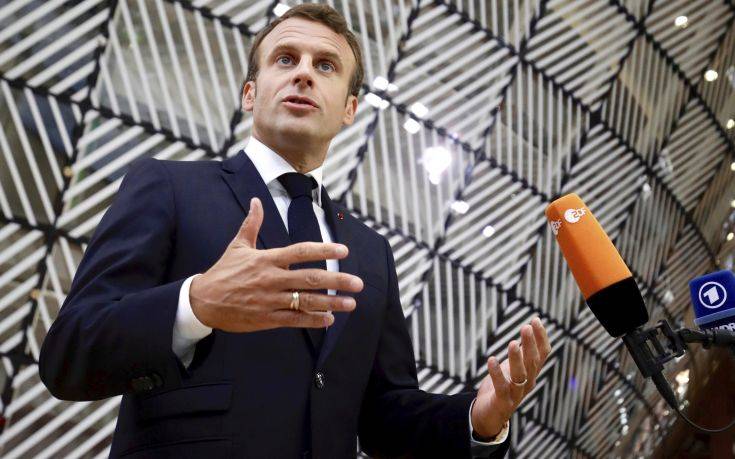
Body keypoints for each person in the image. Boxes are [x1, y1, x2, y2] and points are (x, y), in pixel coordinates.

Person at [39, 4, 551, 458]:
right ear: (249, 92)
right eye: (286, 59)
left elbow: (384, 416)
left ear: (350, 109)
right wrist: (196, 305)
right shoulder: (168, 187)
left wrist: (477, 421)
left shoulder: (370, 253)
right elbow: (69, 354)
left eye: (325, 66)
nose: (304, 73)